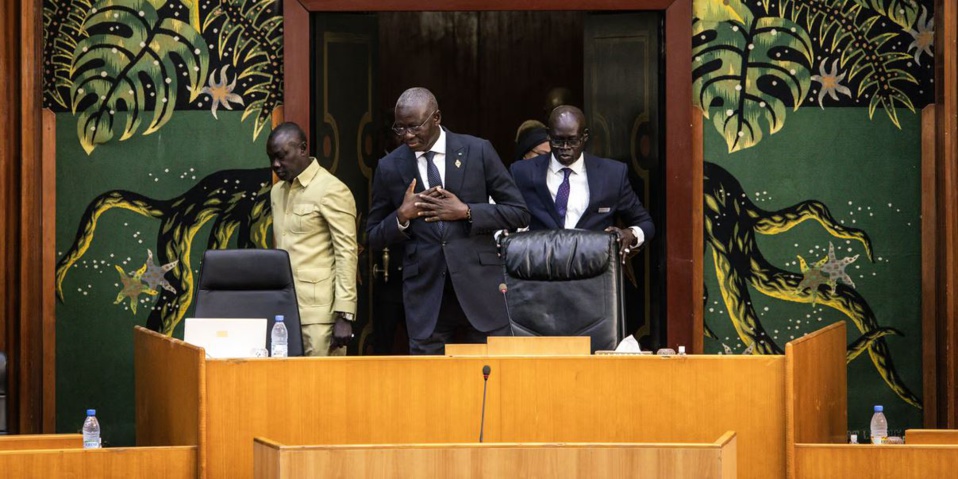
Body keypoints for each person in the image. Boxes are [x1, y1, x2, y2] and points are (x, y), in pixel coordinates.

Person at [366, 87, 529, 355]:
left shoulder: (478, 150)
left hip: (481, 292)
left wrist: (467, 212)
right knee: (430, 389)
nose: (407, 136)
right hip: (427, 297)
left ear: (436, 117)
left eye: (414, 127)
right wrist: (401, 216)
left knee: (490, 383)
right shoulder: (390, 166)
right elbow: (373, 235)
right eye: (400, 128)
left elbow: (518, 212)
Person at [509, 105, 654, 261]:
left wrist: (629, 235)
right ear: (549, 136)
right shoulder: (522, 172)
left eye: (572, 141)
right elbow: (499, 218)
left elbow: (645, 223)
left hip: (592, 272)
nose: (565, 148)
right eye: (558, 141)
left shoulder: (611, 174)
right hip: (539, 271)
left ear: (584, 137)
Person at [268, 122, 358, 356]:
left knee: (322, 388)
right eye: (271, 158)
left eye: (281, 156)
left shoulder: (332, 190)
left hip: (320, 317)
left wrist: (345, 315)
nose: (275, 165)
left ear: (303, 149)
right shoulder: (277, 192)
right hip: (283, 312)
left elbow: (347, 253)